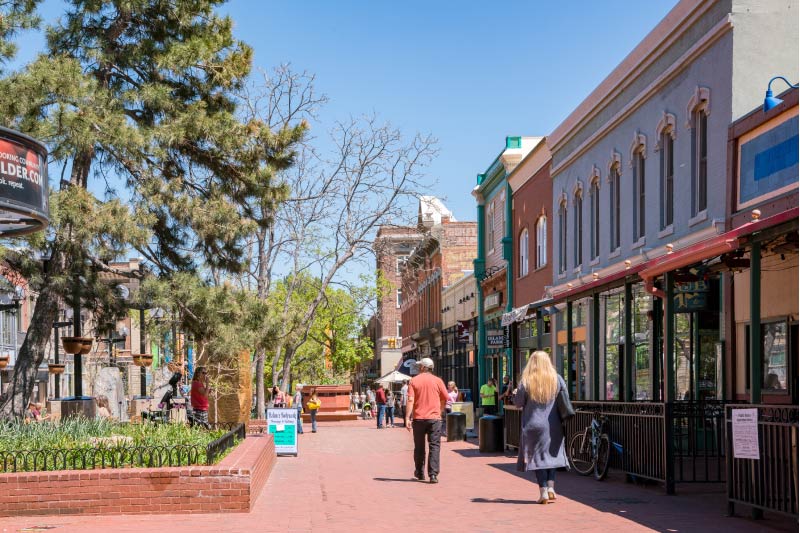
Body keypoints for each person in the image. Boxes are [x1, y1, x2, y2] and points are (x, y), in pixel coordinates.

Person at [513, 350, 569, 504]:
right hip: (554, 425)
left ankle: (543, 491)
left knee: (537, 458)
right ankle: (551, 487)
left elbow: (518, 403)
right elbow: (566, 398)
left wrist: (515, 393)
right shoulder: (557, 379)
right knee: (551, 456)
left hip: (533, 425)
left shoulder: (526, 381)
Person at [405, 357, 448, 484]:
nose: (419, 368)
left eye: (420, 366)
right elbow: (445, 398)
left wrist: (407, 417)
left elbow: (410, 400)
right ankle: (433, 474)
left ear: (423, 367)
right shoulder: (438, 381)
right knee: (434, 446)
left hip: (418, 418)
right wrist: (439, 411)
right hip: (434, 419)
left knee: (419, 447)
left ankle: (419, 472)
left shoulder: (414, 381)